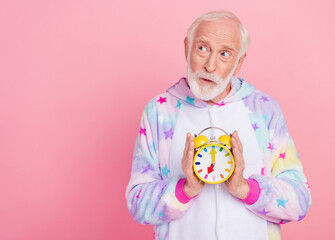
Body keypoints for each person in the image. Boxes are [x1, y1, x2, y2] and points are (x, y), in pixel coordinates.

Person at [125, 10, 311, 240]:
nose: (210, 66)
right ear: (187, 47)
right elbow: (137, 203)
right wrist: (184, 189)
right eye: (202, 48)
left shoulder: (264, 110)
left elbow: (300, 201)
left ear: (239, 62)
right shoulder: (159, 112)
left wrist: (245, 188)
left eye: (224, 54)